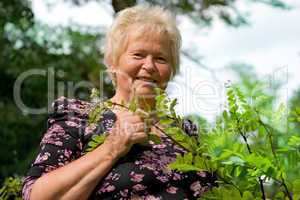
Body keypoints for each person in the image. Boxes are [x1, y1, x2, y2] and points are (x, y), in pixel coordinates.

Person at [22, 4, 216, 200]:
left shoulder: (185, 133)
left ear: (172, 69)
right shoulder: (79, 118)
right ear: (113, 63)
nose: (149, 66)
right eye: (138, 55)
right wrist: (111, 148)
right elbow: (36, 196)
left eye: (161, 58)